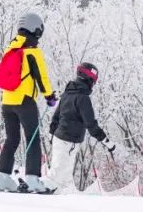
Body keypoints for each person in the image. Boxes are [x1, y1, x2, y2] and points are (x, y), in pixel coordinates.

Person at [0, 12, 57, 192]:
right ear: (36, 29)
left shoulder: (10, 49)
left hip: (7, 101)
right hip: (25, 101)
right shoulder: (32, 51)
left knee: (12, 139)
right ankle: (32, 179)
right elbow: (41, 77)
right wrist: (50, 96)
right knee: (33, 138)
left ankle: (3, 176)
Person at [46, 63, 115, 193]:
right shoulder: (83, 98)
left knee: (65, 179)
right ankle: (37, 194)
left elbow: (56, 116)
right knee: (55, 176)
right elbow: (91, 125)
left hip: (64, 141)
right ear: (88, 79)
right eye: (93, 82)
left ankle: (68, 201)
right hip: (66, 141)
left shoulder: (68, 93)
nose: (93, 85)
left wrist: (51, 133)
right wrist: (107, 142)